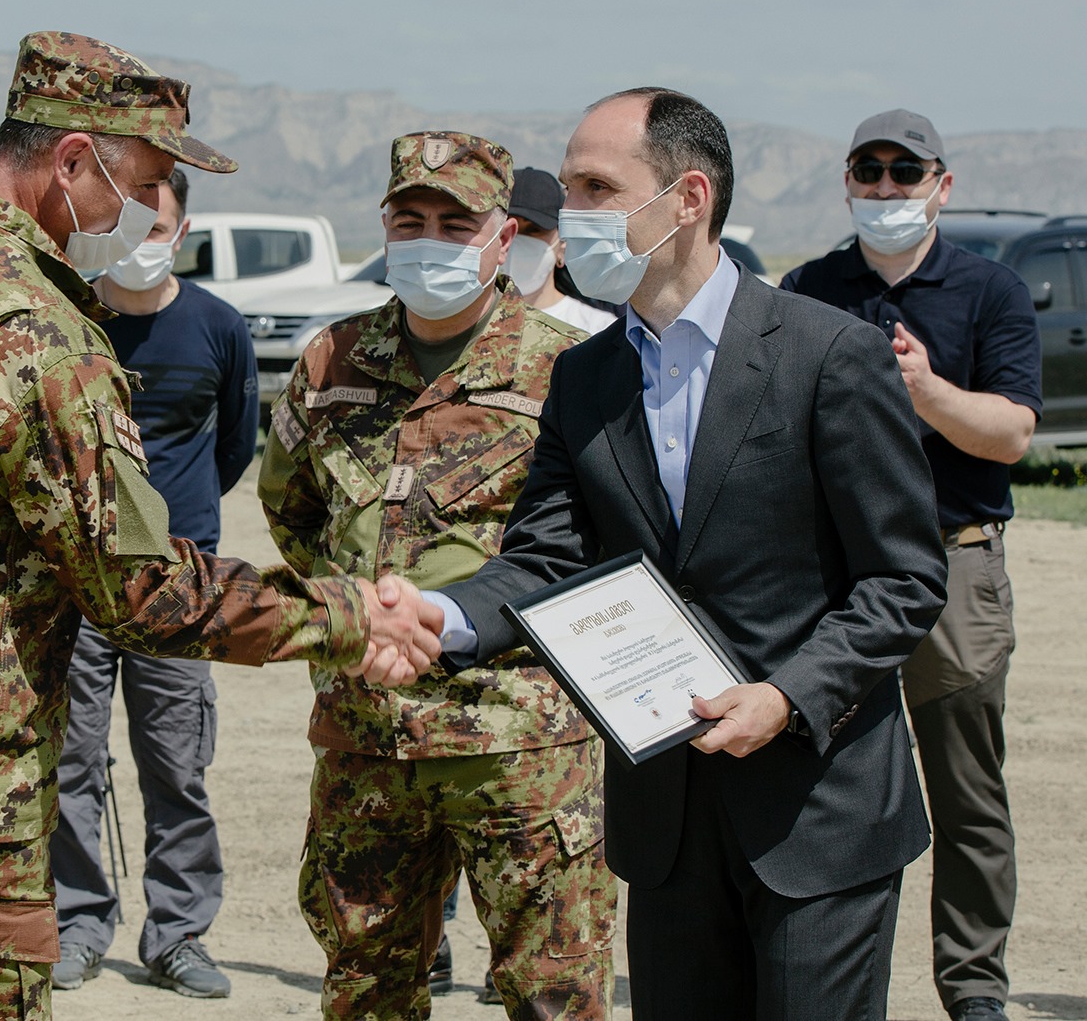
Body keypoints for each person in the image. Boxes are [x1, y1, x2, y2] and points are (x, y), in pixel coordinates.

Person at [0, 30, 443, 1021]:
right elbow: (141, 588)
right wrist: (349, 615)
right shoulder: (31, 324)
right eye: (142, 184)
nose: (147, 212)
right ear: (72, 160)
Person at [429, 88, 948, 1020]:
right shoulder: (585, 375)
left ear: (689, 198)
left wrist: (786, 696)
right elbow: (545, 555)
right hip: (666, 817)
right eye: (570, 188)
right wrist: (446, 615)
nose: (571, 212)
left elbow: (903, 579)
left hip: (817, 809)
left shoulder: (827, 353)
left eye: (597, 188)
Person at [257, 132, 612, 1020]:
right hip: (367, 736)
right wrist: (362, 613)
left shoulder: (571, 366)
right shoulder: (331, 360)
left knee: (553, 993)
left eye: (456, 224)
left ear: (505, 236)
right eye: (409, 220)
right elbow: (293, 509)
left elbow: (598, 541)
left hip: (517, 741)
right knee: (365, 990)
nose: (429, 241)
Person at [779, 110, 1039, 1021]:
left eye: (905, 171)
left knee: (966, 793)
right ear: (848, 182)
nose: (886, 188)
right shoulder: (810, 290)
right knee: (828, 790)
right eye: (869, 170)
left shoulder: (990, 290)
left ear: (941, 184)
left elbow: (1011, 434)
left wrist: (926, 391)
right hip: (835, 576)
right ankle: (833, 983)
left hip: (953, 563)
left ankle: (973, 988)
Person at [50, 167, 256, 1000]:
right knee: (69, 760)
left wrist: (179, 526)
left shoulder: (217, 326)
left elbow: (235, 444)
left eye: (156, 227)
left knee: (176, 762)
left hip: (178, 582)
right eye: (125, 226)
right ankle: (76, 923)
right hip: (78, 582)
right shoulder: (70, 320)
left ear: (182, 232)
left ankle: (178, 934)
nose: (139, 243)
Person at [502, 166, 616, 334]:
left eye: (534, 230)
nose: (517, 241)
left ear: (562, 244)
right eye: (507, 231)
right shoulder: (467, 319)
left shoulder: (597, 329)